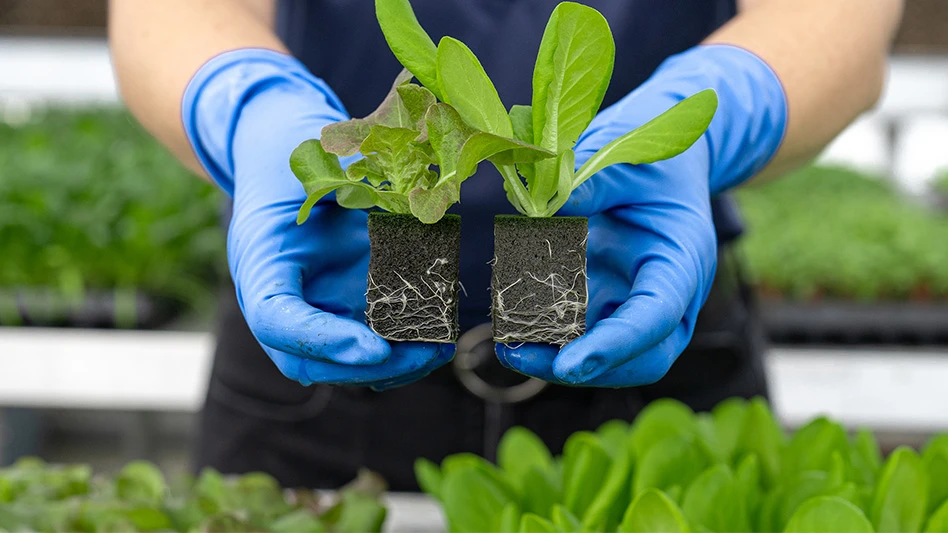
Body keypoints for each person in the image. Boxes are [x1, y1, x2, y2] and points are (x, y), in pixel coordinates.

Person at [108, 0, 903, 490]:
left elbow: (841, 14)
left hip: (651, 324)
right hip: (317, 357)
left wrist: (726, 105)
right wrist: (244, 100)